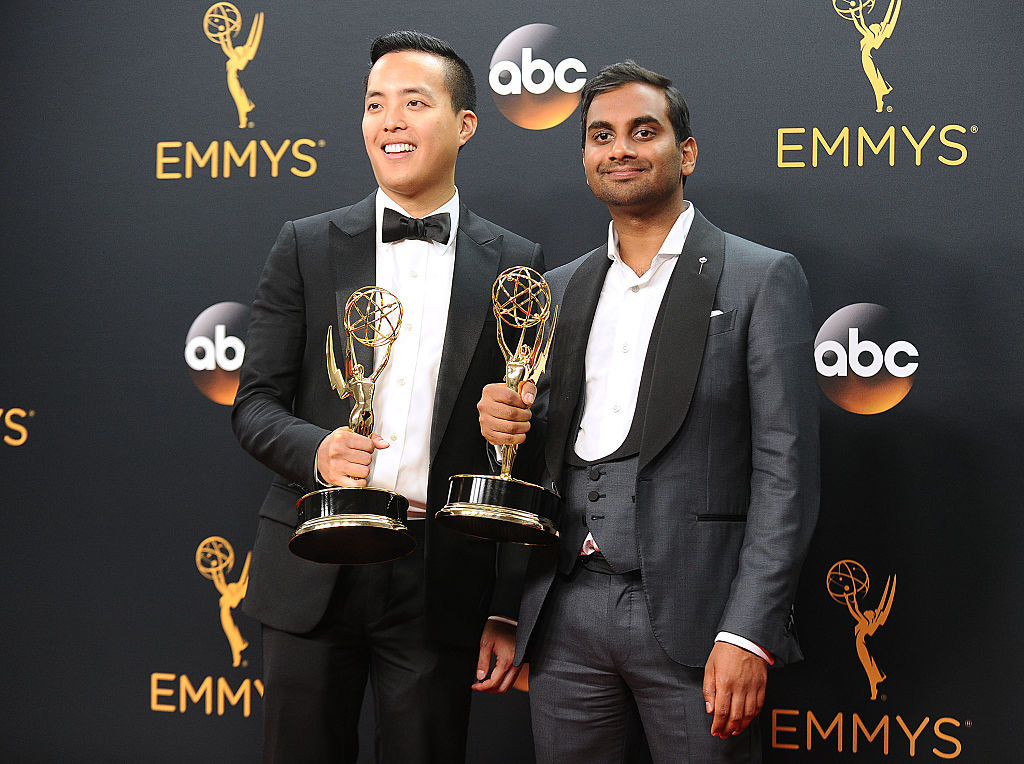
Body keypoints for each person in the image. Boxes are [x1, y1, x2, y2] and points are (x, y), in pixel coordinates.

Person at [478, 61, 819, 762]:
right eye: (601, 135)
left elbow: (786, 471)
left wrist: (748, 631)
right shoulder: (555, 289)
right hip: (565, 610)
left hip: (700, 620)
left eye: (643, 131)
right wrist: (502, 430)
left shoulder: (759, 277)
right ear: (585, 158)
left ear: (685, 151)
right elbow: (538, 462)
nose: (620, 149)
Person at [233, 30, 542, 763]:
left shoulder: (518, 262)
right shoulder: (307, 245)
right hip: (313, 561)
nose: (390, 121)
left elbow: (523, 450)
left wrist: (506, 601)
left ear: (465, 125)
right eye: (375, 104)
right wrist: (319, 449)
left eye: (414, 102)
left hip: (438, 575)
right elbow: (254, 405)